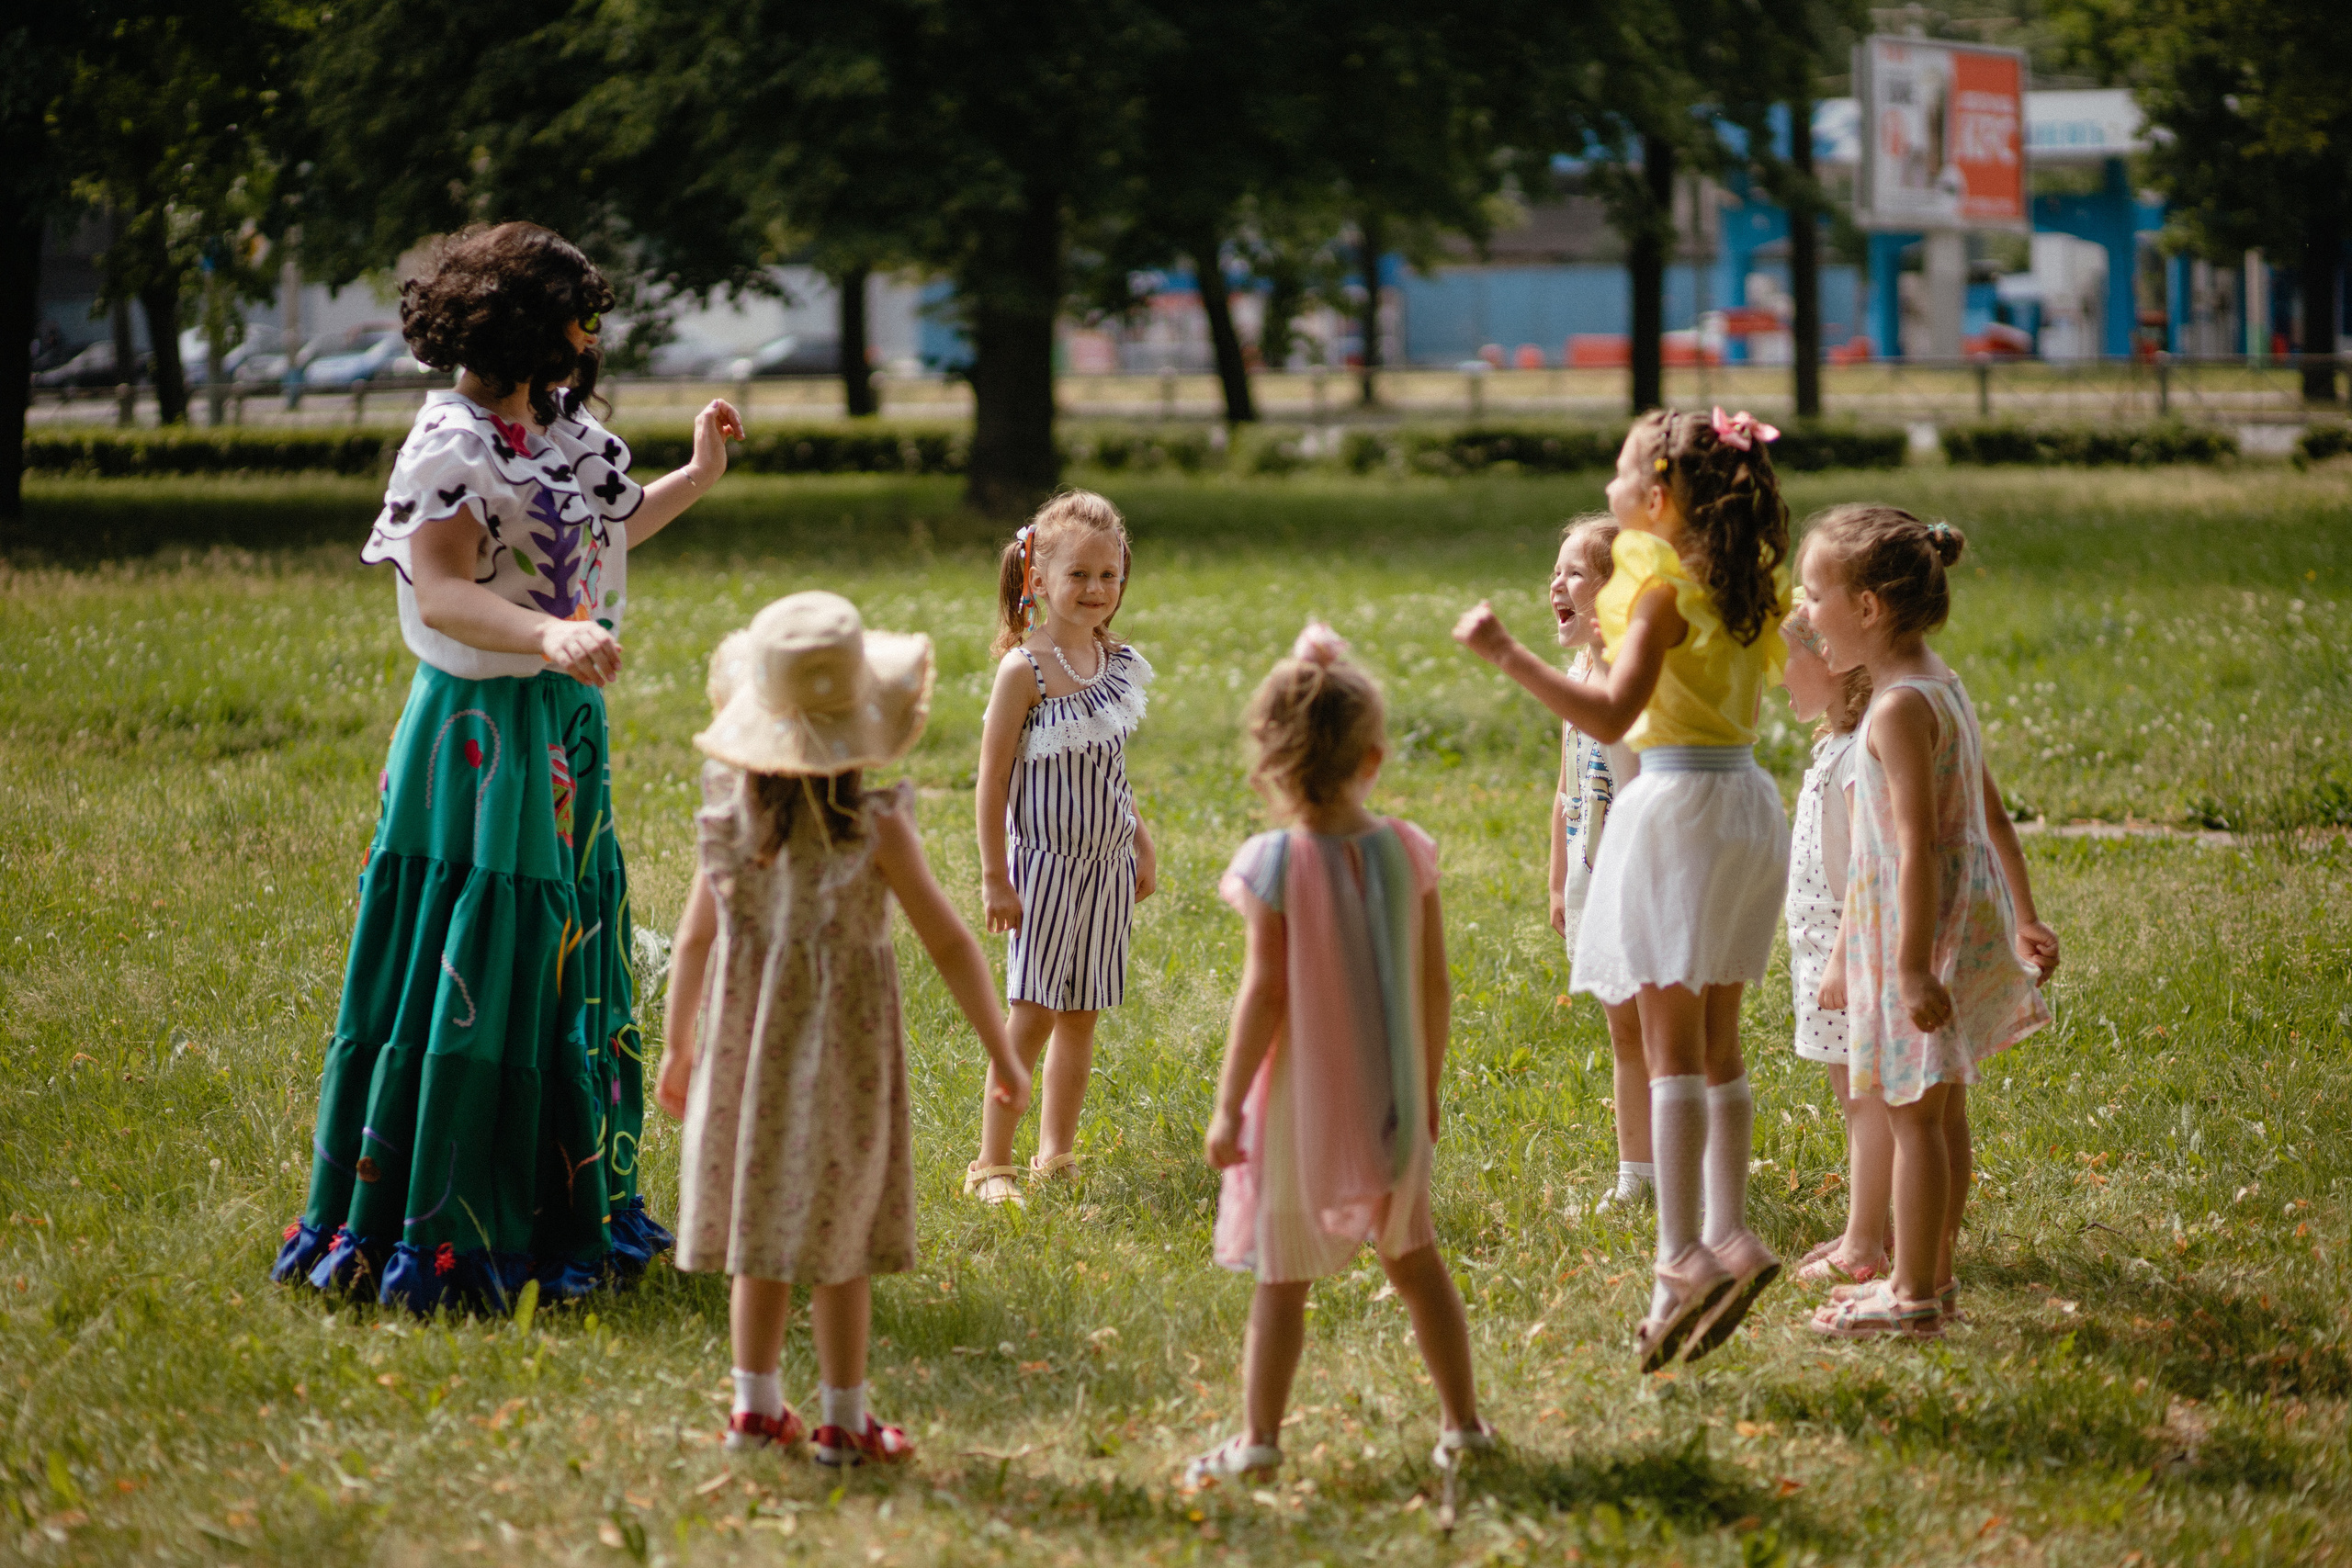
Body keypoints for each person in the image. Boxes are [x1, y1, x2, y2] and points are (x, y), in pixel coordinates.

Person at [272, 221, 740, 1311]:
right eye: (581, 317)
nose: (590, 338)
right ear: (535, 328)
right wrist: (543, 638)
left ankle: (559, 1208)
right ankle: (445, 1227)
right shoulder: (451, 443)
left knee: (562, 951)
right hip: (479, 733)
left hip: (560, 729)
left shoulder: (558, 432)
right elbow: (440, 591)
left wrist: (698, 476)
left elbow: (612, 531)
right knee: (478, 964)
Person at [653, 593, 1033, 1460]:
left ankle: (754, 1409)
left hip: (747, 1055)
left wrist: (680, 1045)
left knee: (760, 1228)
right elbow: (947, 939)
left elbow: (695, 938)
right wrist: (1000, 1044)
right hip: (847, 1056)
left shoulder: (729, 819)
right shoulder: (878, 822)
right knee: (842, 1235)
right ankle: (844, 1420)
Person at [1454, 407, 1794, 1371]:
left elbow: (1610, 708)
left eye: (1616, 473)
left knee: (1668, 1047)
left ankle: (1678, 1257)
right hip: (1745, 806)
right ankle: (1727, 1233)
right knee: (1720, 1044)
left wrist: (1505, 655)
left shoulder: (1656, 589)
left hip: (1676, 810)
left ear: (1654, 499)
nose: (1607, 488)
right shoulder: (1742, 587)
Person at [1188, 624, 1491, 1488]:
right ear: (1374, 756)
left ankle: (1258, 1438)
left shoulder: (1273, 863)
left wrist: (1225, 1103)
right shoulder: (1409, 850)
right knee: (1415, 1259)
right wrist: (1424, 1086)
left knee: (1280, 1280)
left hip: (1301, 1112)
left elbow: (1266, 993)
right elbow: (1436, 987)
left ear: (1269, 761)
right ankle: (1463, 1423)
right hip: (1392, 1101)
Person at [1796, 507, 2059, 1337]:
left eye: (1814, 594)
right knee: (1942, 1115)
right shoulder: (1941, 681)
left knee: (1914, 1117)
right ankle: (1933, 1280)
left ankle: (1909, 1297)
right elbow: (1985, 818)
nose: (1804, 614)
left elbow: (1914, 846)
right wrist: (2020, 914)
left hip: (1917, 934)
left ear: (1869, 608)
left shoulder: (1896, 709)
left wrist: (1910, 967)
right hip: (1957, 920)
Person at [964, 491, 1158, 1206]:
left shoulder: (1114, 660)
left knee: (1082, 1015)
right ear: (1037, 578)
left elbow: (1110, 768)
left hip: (1105, 866)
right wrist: (994, 874)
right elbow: (991, 777)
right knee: (1034, 1013)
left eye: (1109, 575)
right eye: (1078, 575)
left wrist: (1138, 837)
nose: (1096, 590)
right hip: (1042, 868)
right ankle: (992, 1163)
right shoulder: (1027, 670)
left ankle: (1058, 1153)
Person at [1778, 604, 1892, 1286]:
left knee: (1866, 1098)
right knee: (1853, 1098)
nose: (1775, 677)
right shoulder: (1835, 745)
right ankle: (1871, 1226)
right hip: (1824, 952)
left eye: (1786, 658)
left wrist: (1847, 951)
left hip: (1851, 957)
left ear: (1835, 663)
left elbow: (1872, 860)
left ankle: (1864, 1244)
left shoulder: (1856, 755)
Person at [1545, 514, 1652, 1216]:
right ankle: (1636, 1175)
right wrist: (1557, 880)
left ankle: (1690, 1162)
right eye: (1555, 572)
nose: (1556, 584)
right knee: (1623, 1030)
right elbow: (1564, 790)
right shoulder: (1576, 675)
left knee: (1666, 1030)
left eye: (1575, 573)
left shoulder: (1633, 680)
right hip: (1593, 875)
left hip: (1644, 879)